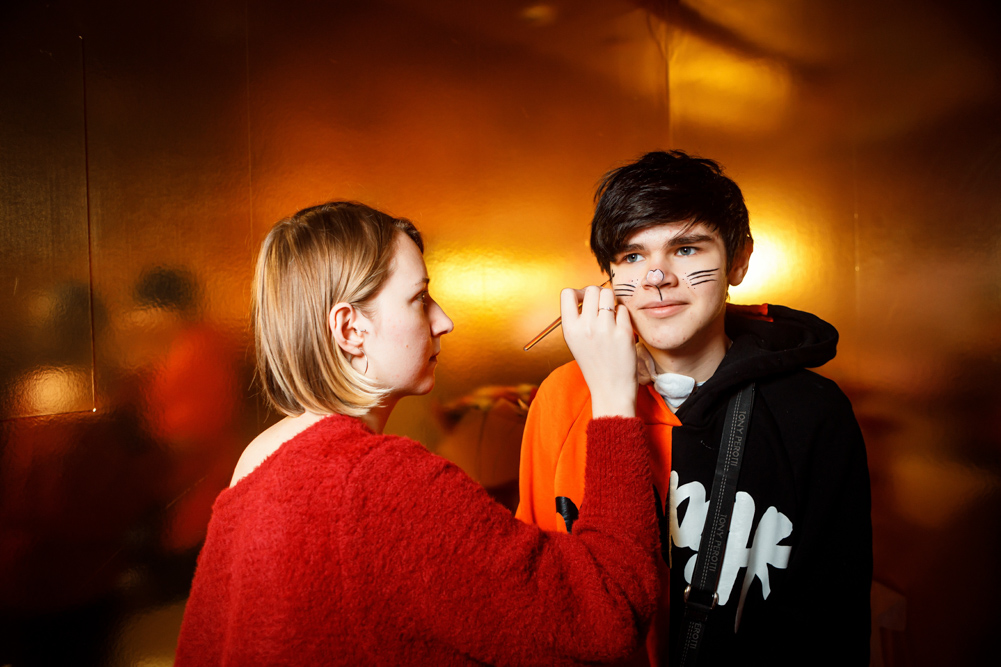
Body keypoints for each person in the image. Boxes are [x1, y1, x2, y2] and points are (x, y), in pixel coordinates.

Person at [175, 200, 659, 666]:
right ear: (349, 329)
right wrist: (612, 393)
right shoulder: (381, 482)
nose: (444, 321)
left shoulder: (257, 460)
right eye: (420, 299)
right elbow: (607, 613)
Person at [516, 152, 872, 666]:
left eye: (685, 249)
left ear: (739, 260)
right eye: (631, 256)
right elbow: (539, 591)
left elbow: (832, 620)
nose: (656, 276)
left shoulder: (814, 413)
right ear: (608, 275)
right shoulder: (564, 395)